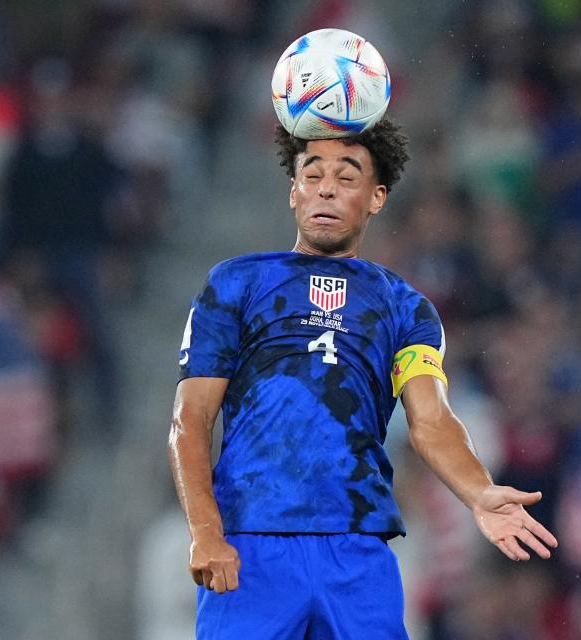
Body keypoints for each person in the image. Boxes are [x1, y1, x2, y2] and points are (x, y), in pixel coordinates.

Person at [167, 119, 558, 639]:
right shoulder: (235, 284)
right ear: (293, 191)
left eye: (346, 176)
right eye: (312, 173)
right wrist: (206, 532)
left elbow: (431, 420)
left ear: (376, 197)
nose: (326, 187)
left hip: (357, 550)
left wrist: (478, 491)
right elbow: (189, 418)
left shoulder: (406, 309)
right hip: (252, 542)